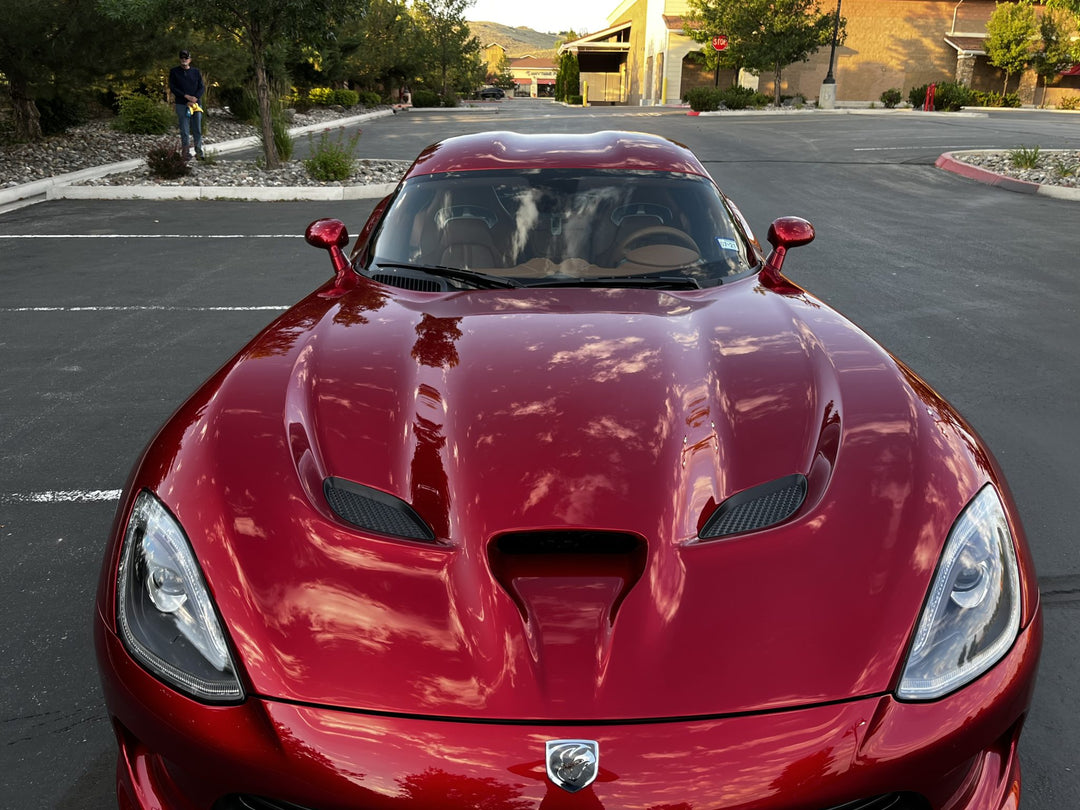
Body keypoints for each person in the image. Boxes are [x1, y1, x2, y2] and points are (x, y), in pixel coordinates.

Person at [168, 50, 205, 159]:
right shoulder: (174, 72)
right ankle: (185, 153)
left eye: (186, 58)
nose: (184, 60)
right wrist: (186, 96)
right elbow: (173, 87)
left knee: (197, 129)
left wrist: (195, 97)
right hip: (182, 104)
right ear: (180, 59)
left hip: (196, 104)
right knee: (184, 130)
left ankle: (199, 152)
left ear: (190, 59)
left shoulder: (196, 72)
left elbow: (201, 87)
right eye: (182, 58)